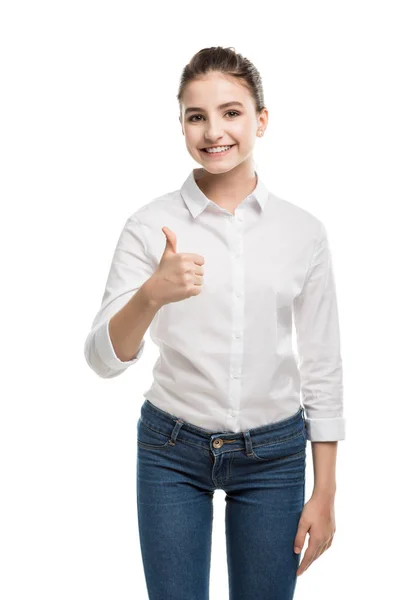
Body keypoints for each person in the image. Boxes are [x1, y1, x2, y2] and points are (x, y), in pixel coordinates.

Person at [84, 46, 345, 600]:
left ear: (261, 120)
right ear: (180, 124)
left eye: (231, 112)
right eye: (196, 116)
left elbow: (322, 365)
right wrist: (151, 294)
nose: (213, 131)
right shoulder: (148, 225)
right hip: (171, 450)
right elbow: (102, 359)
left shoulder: (304, 232)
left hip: (274, 457)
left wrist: (325, 492)